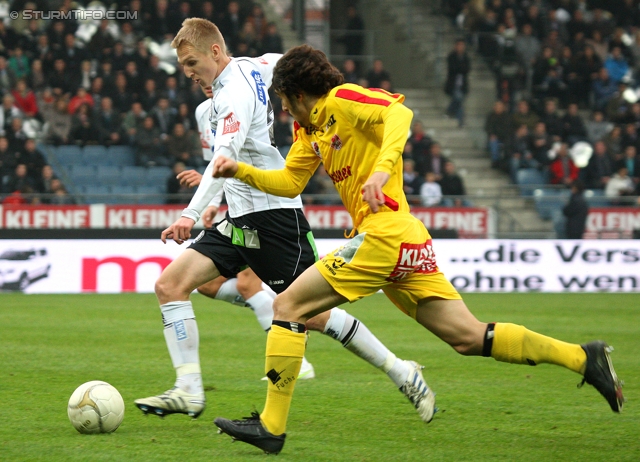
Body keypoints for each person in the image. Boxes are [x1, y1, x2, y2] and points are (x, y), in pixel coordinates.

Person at [211, 44, 625, 455]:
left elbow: (399, 113)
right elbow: (290, 183)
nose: (283, 110)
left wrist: (380, 169)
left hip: (383, 237)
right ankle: (582, 357)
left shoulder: (343, 100)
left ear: (298, 93)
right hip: (405, 241)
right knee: (467, 337)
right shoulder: (310, 131)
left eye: (284, 100)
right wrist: (241, 171)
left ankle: (271, 426)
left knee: (287, 307)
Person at [134, 19, 434, 424]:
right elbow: (289, 66)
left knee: (311, 314)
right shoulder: (254, 68)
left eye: (192, 62)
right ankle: (188, 389)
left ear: (215, 53)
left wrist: (190, 213)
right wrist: (213, 205)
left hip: (275, 217)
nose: (188, 72)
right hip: (240, 216)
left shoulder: (233, 93)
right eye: (184, 65)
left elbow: (226, 154)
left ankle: (401, 370)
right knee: (171, 285)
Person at [444, 39, 470, 127]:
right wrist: (460, 68)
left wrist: (460, 68)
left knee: (459, 101)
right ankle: (460, 120)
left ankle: (450, 112)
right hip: (453, 84)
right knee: (458, 98)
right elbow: (453, 69)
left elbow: (467, 69)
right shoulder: (451, 57)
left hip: (462, 84)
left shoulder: (466, 57)